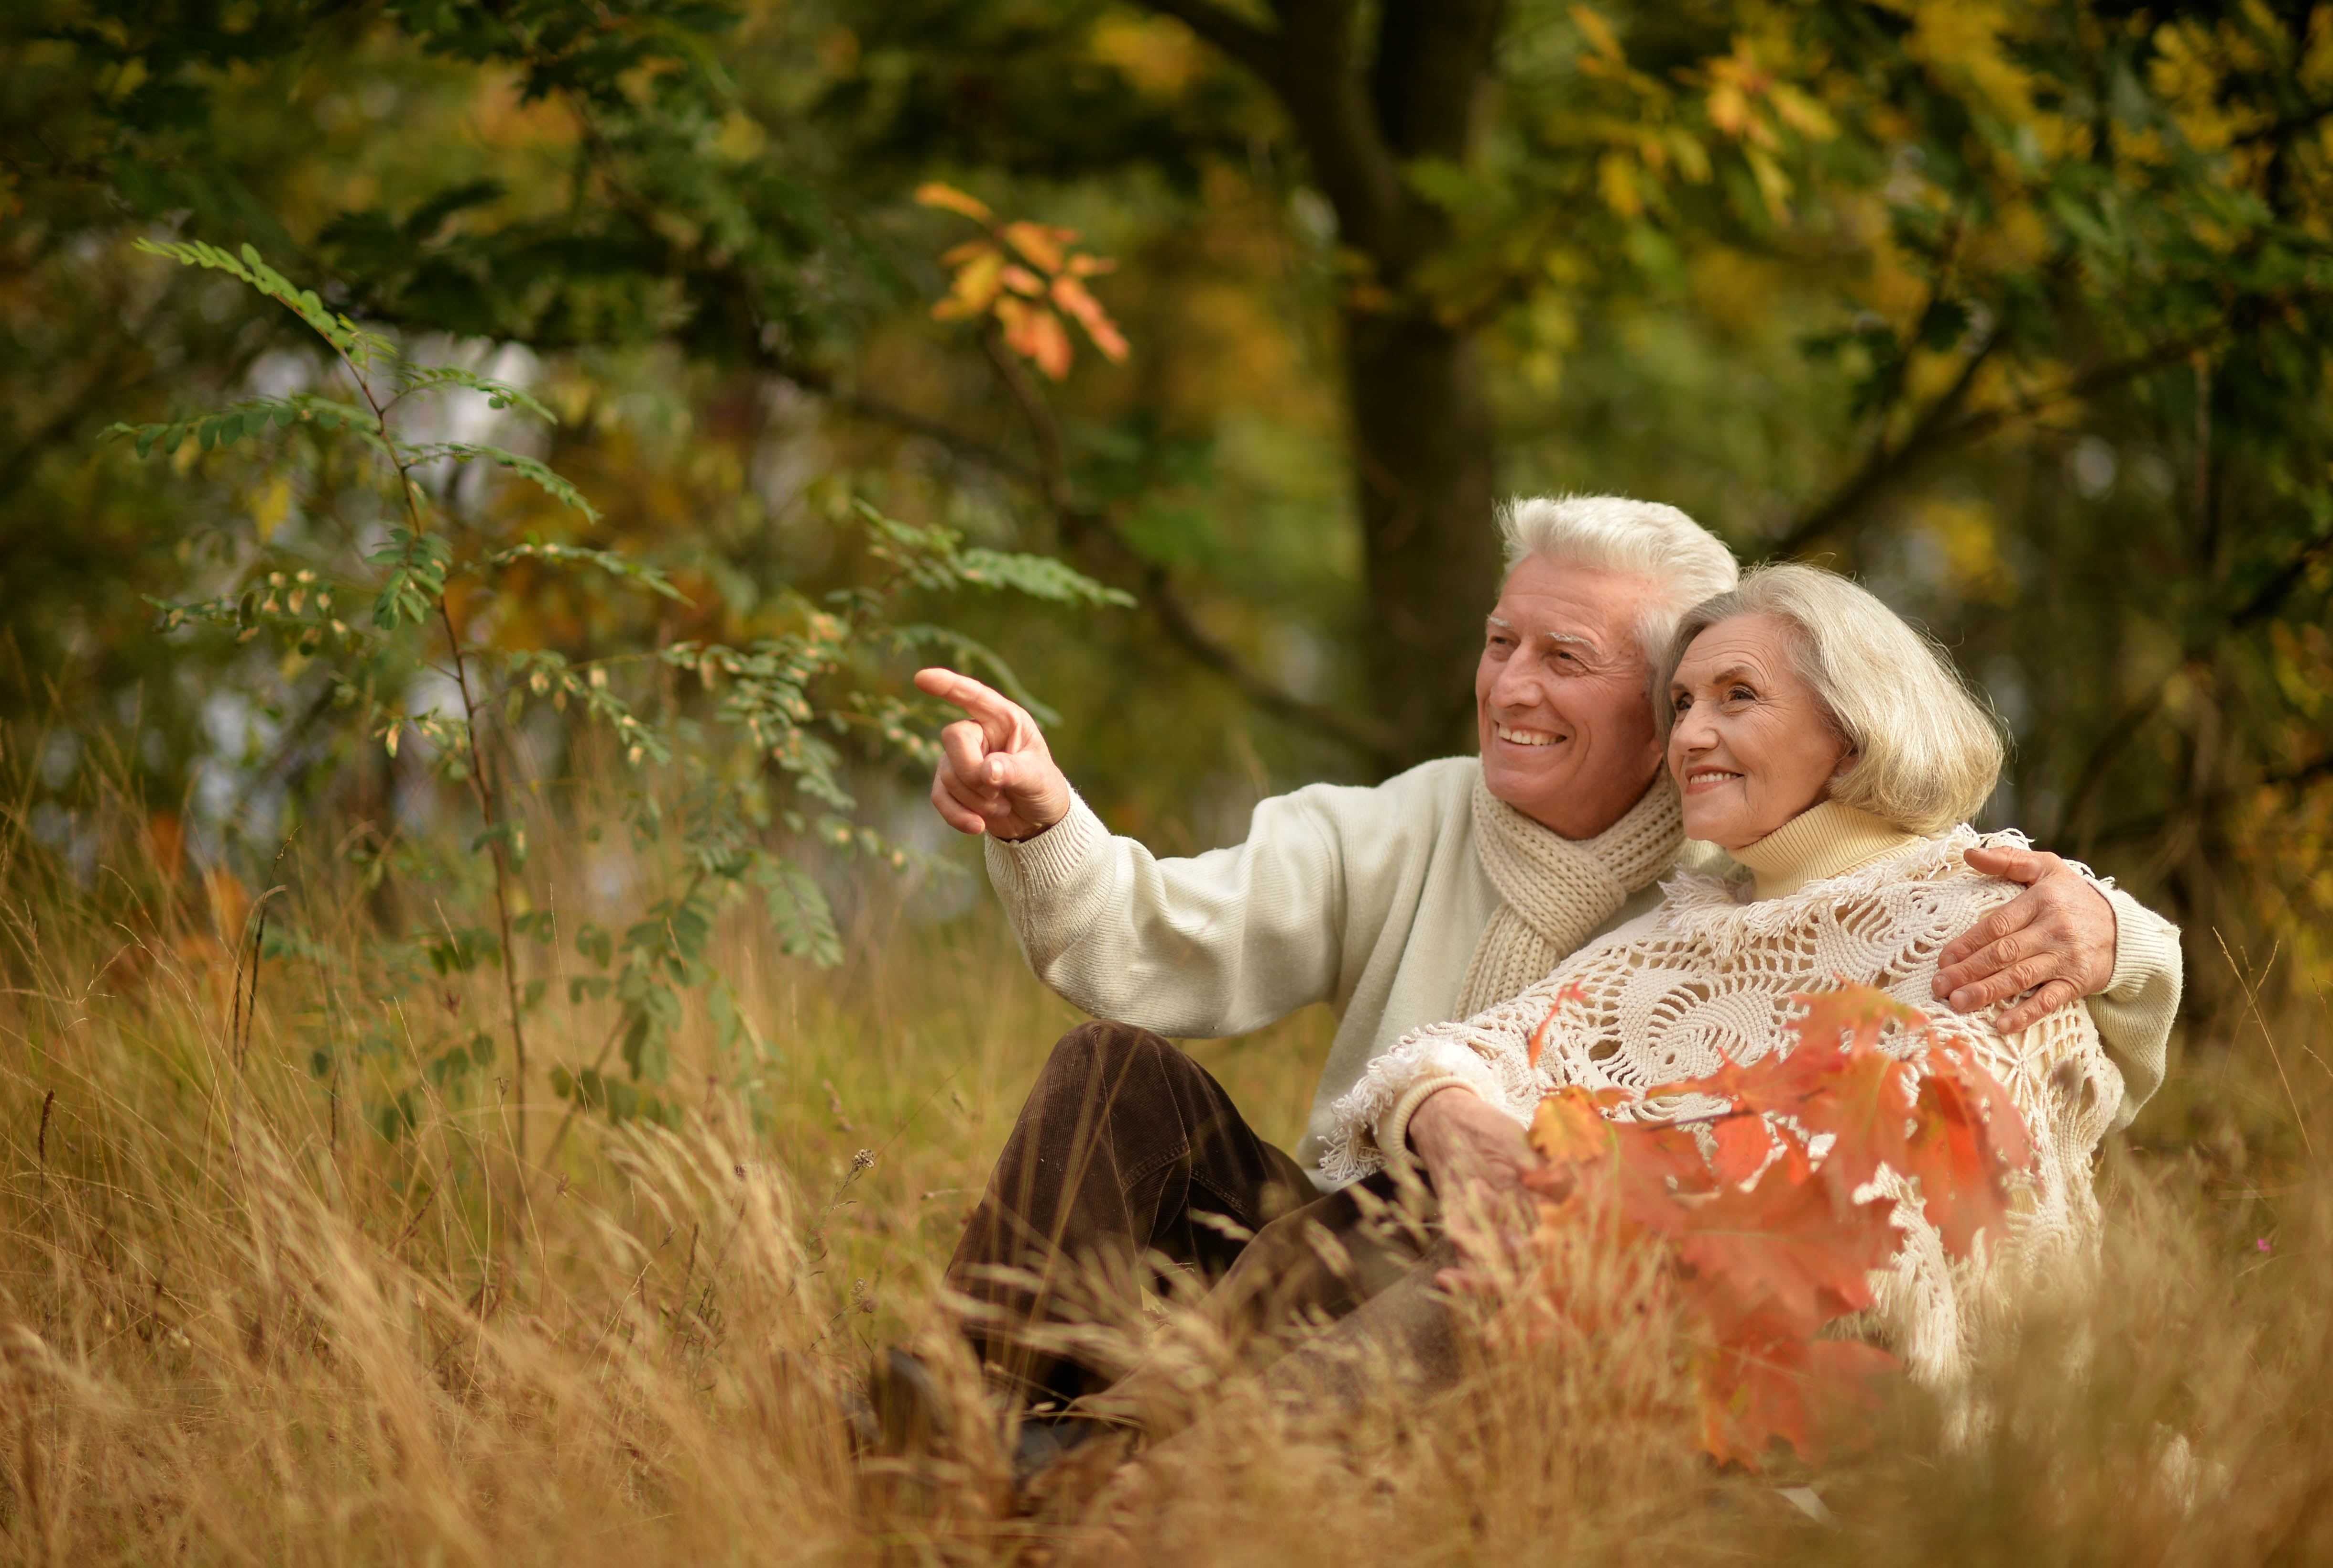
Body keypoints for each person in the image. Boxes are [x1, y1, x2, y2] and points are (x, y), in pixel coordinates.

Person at [909, 496, 2183, 1421]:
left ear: (1664, 692)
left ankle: (1093, 1462)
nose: (1510, 686)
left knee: (1441, 1234)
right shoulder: (1410, 818)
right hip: (1326, 1255)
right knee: (1119, 1079)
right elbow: (1147, 940)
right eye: (1500, 640)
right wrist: (1045, 821)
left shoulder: (1742, 870)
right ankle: (945, 1431)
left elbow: (1961, 927)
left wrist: (2111, 926)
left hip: (1529, 1311)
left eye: (1566, 659)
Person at [1328, 561, 2139, 1390]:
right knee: (1385, 1215)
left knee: (1498, 1267)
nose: (1687, 736)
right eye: (1681, 704)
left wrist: (1618, 1200)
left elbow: (1916, 1209)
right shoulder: (1679, 934)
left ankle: (1222, 1482)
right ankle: (1218, 1461)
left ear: (1855, 724)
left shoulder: (2002, 918)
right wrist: (1449, 1109)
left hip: (1824, 1401)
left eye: (1737, 696)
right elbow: (1458, 1052)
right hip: (1611, 1343)